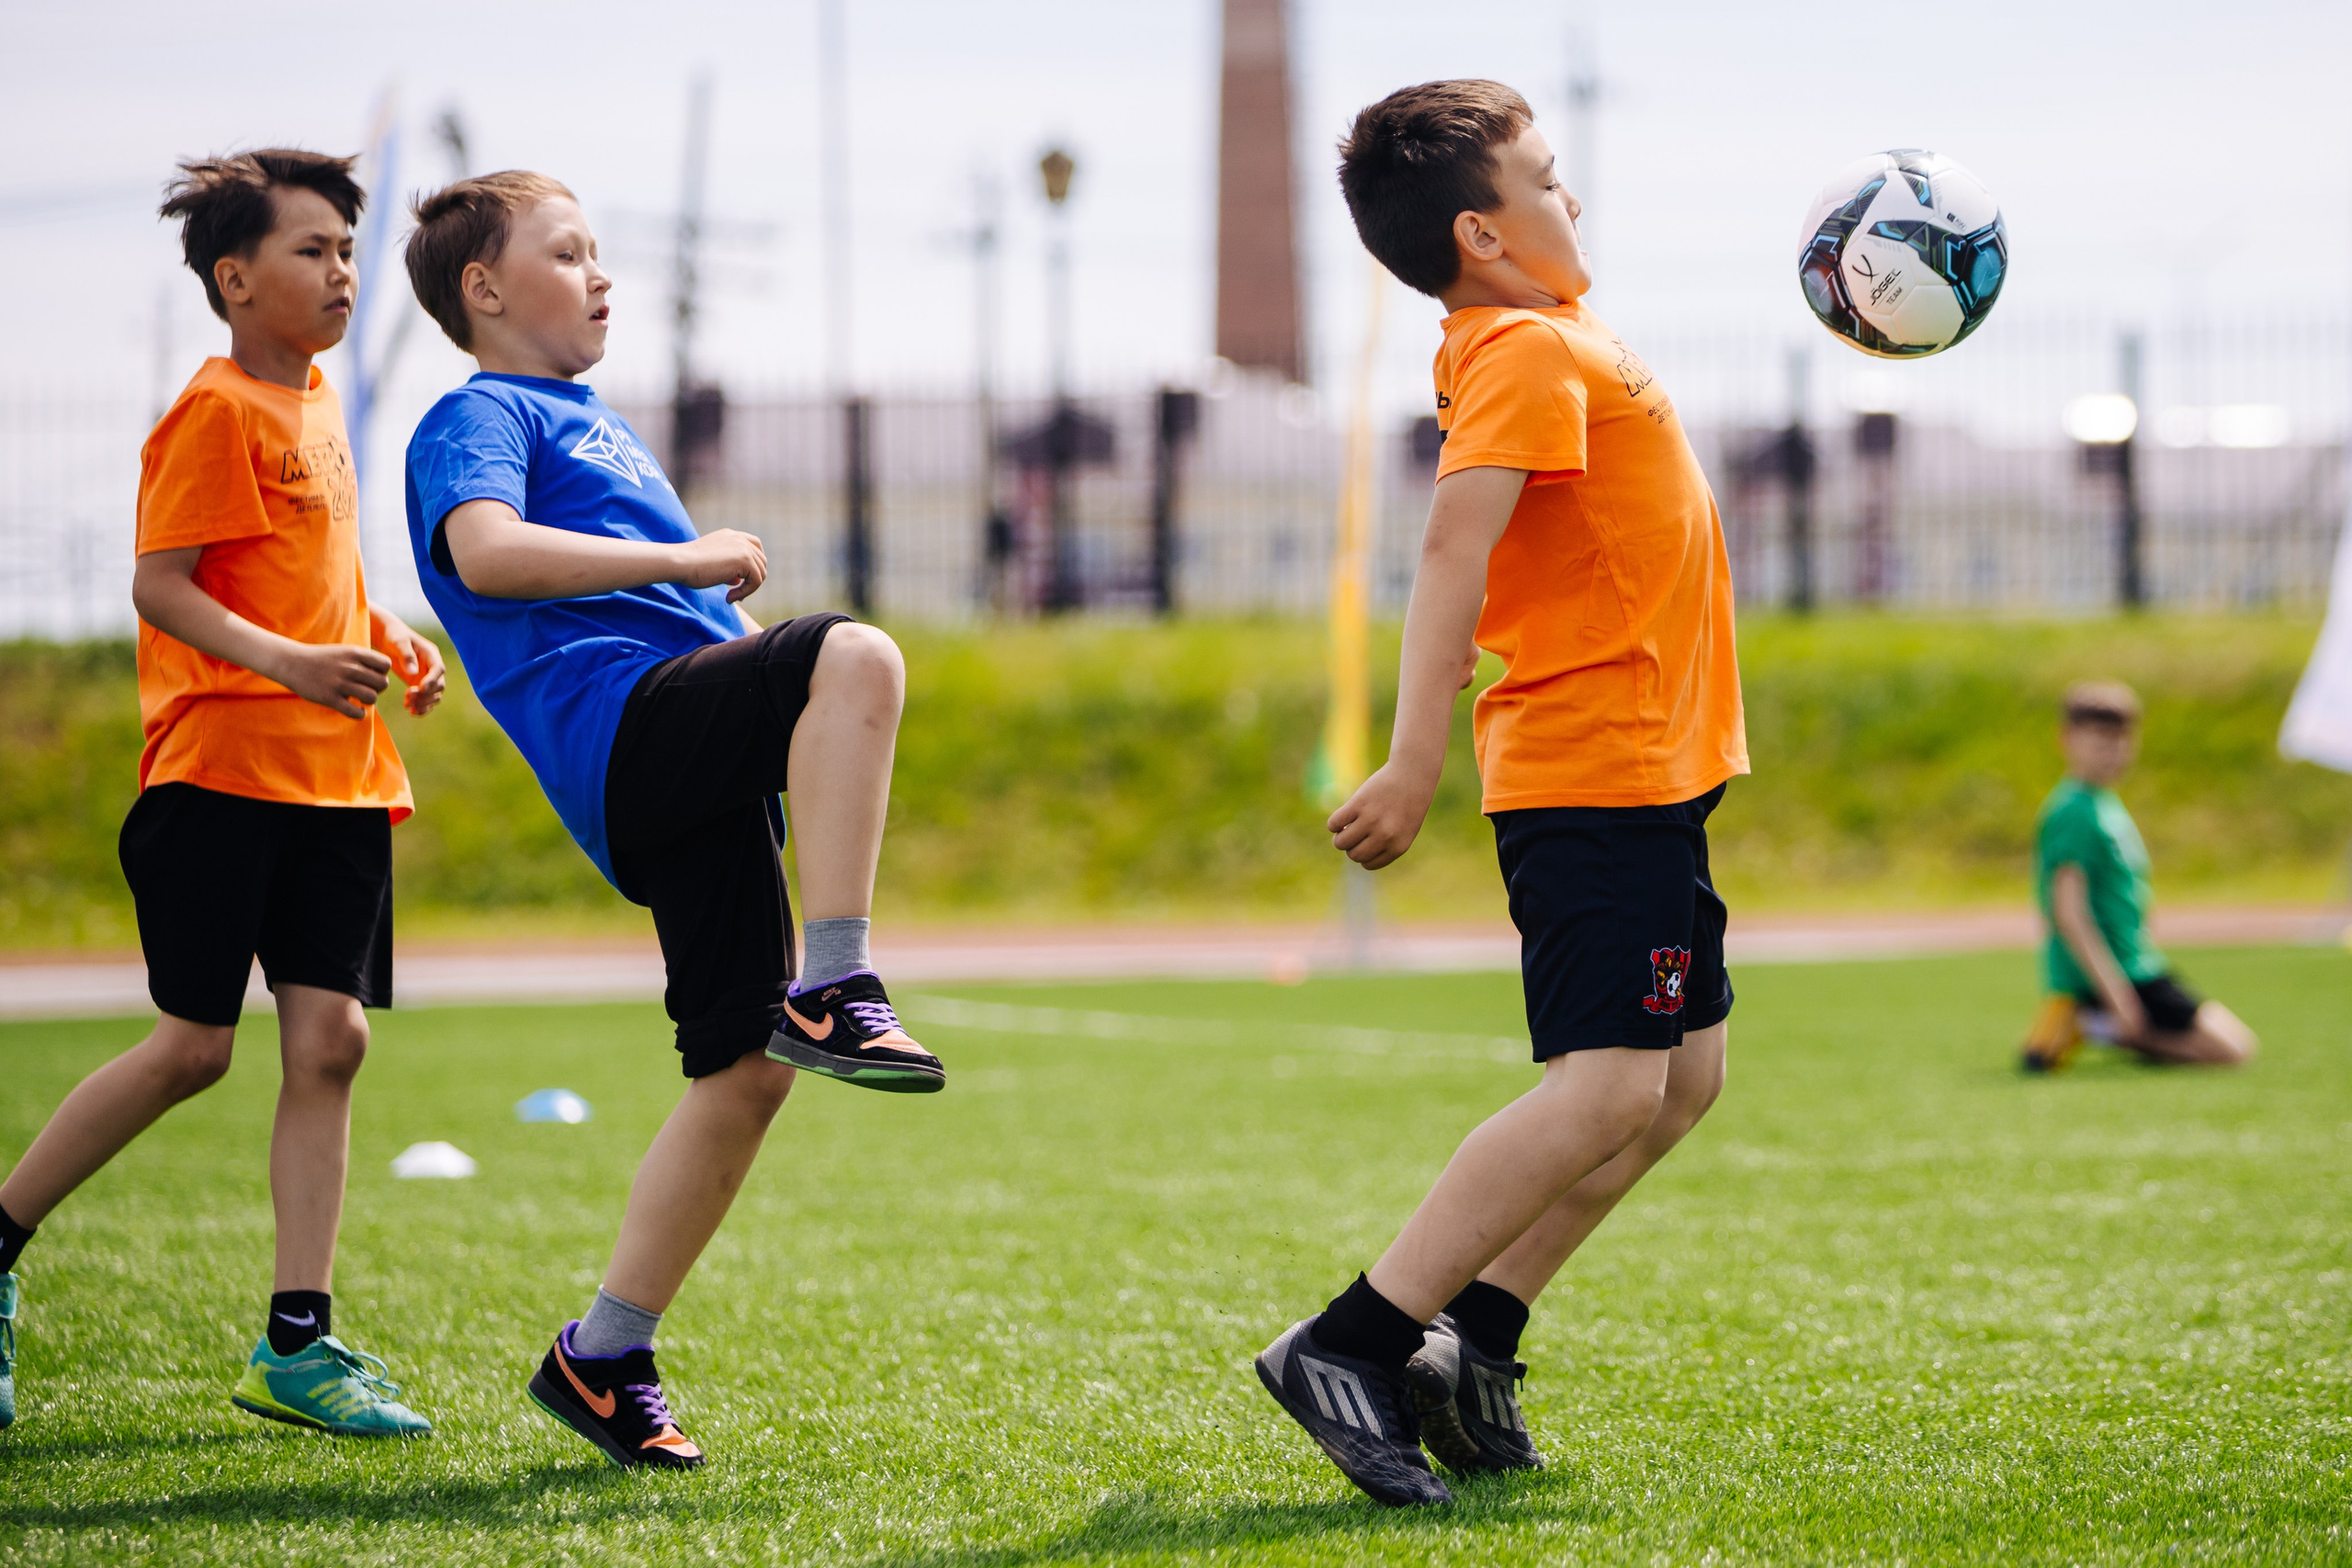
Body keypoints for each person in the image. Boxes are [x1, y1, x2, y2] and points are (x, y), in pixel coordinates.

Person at [1252, 81, 1749, 1506]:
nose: (1568, 195)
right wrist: (1415, 756)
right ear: (1482, 231)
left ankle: (1478, 1329)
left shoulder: (1538, 336)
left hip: (1649, 772)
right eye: (1543, 177)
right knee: (1605, 1084)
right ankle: (1353, 1339)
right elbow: (1451, 560)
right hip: (1594, 769)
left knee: (1680, 1079)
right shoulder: (1524, 347)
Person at [399, 171, 940, 1472]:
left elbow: (700, 626)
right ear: (484, 288)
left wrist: (753, 658)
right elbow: (484, 554)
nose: (601, 275)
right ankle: (841, 974)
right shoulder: (480, 411)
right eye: (570, 252)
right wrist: (690, 557)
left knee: (744, 1069)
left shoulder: (598, 419)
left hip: (679, 740)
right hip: (623, 729)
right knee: (860, 652)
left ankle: (603, 1353)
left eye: (598, 253)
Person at [0, 151, 447, 1438]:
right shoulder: (214, 410)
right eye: (313, 250)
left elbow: (311, 575)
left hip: (340, 781)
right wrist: (297, 662)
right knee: (195, 1047)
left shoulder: (318, 405)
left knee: (335, 1041)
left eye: (348, 252)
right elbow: (166, 583)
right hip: (222, 774)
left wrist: (384, 633)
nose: (342, 272)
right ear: (235, 278)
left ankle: (296, 1345)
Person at [2020, 682, 2257, 1072]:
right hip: (2113, 973)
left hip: (2138, 962)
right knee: (2232, 1051)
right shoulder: (2073, 810)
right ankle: (2094, 1022)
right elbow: (2069, 912)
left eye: (2121, 741)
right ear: (2066, 739)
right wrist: (2116, 996)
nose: (2114, 753)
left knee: (2230, 1046)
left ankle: (2097, 1025)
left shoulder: (2104, 802)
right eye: (2100, 741)